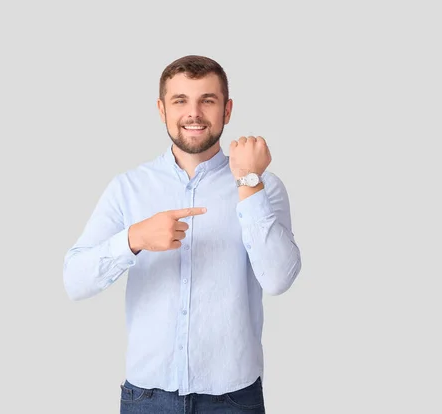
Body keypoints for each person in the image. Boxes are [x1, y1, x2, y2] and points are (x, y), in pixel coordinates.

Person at [63, 55, 302, 413]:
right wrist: (135, 239)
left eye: (207, 100)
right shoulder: (128, 188)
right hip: (147, 399)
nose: (194, 113)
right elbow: (74, 282)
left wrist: (249, 184)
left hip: (233, 400)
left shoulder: (263, 185)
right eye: (180, 101)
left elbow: (279, 278)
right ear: (161, 109)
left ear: (227, 109)